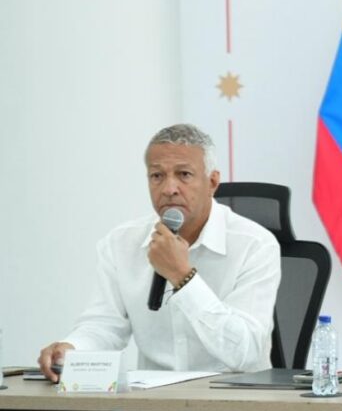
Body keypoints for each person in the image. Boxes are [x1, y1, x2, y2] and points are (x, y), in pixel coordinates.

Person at [37, 124, 281, 380]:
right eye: (157, 176)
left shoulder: (255, 245)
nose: (168, 188)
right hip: (154, 404)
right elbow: (105, 326)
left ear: (212, 182)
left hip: (236, 404)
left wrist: (182, 277)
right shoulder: (121, 243)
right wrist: (72, 349)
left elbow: (246, 352)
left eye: (184, 174)